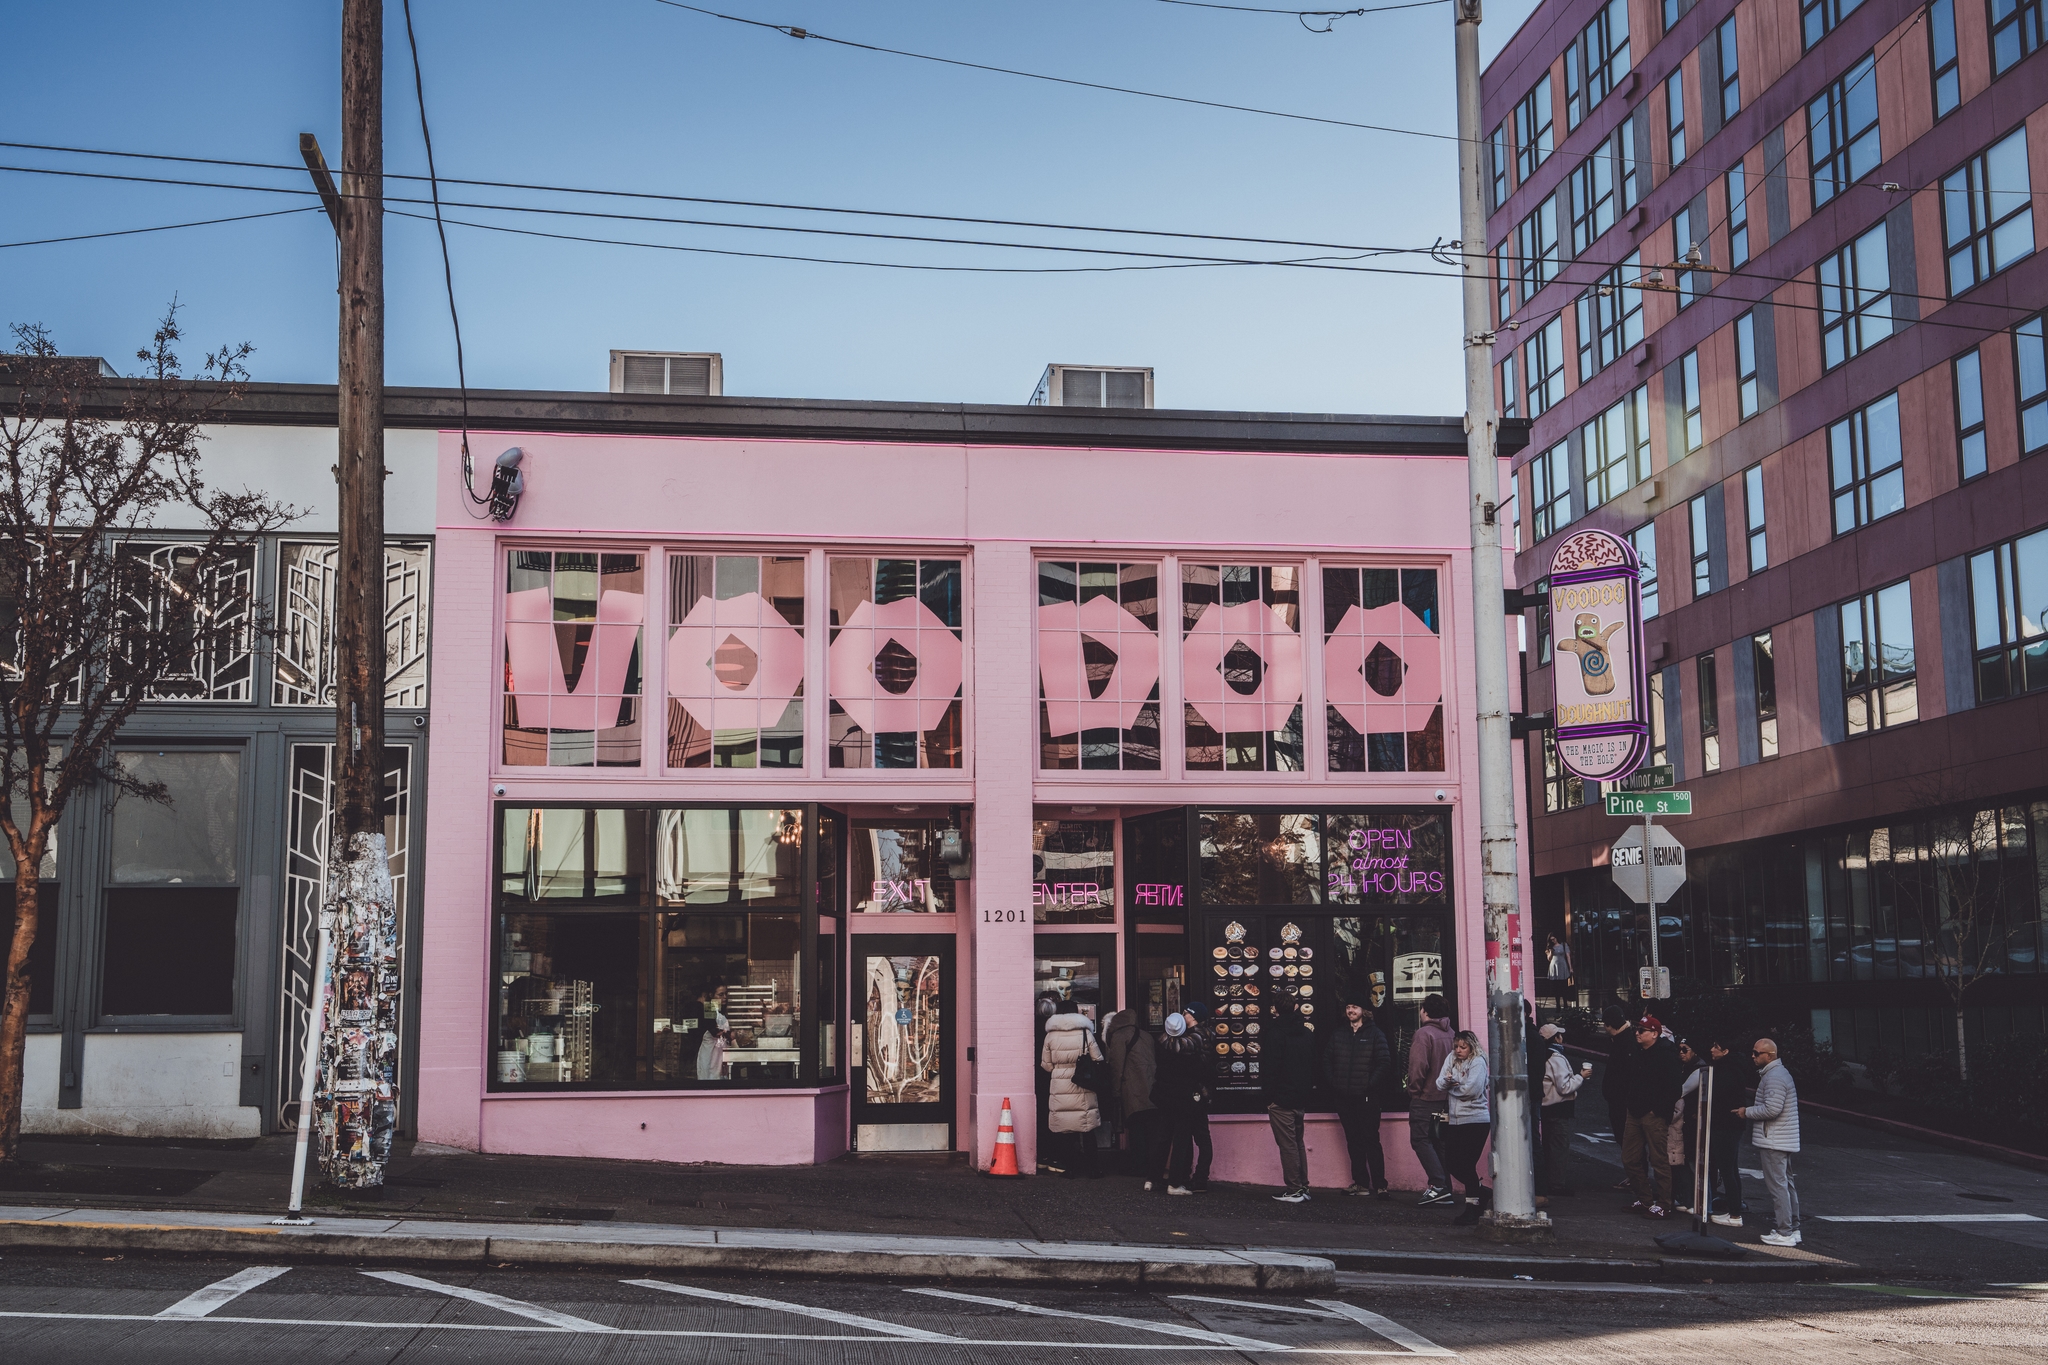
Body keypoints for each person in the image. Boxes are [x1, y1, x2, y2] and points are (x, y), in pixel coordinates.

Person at [1737, 1036, 1803, 1247]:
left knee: (1778, 1187)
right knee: (1786, 1184)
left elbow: (1772, 1109)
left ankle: (1784, 1232)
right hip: (1783, 1139)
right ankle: (1793, 1229)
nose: (1753, 1056)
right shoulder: (1778, 1074)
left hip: (1774, 1139)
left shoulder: (1774, 1077)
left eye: (1757, 1053)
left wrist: (1745, 1111)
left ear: (1770, 1055)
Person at [1325, 999, 1393, 1198]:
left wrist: (1368, 1084)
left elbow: (1384, 1062)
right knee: (1353, 1141)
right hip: (1344, 1097)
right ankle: (1361, 1183)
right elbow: (1327, 1060)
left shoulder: (1375, 1034)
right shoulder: (1339, 1034)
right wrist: (1334, 1082)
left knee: (1371, 1140)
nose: (1350, 1010)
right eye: (1347, 1007)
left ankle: (1380, 1185)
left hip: (1367, 1098)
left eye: (1354, 1007)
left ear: (1364, 1010)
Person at [1621, 1013, 1683, 1217]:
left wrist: (1657, 1110)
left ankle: (1664, 1204)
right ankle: (1646, 1199)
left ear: (1654, 1034)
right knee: (1630, 1158)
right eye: (1637, 1029)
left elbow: (1674, 1088)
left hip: (1653, 1115)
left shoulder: (1666, 1055)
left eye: (1641, 1030)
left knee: (1659, 1159)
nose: (1637, 1034)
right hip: (1636, 1111)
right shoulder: (1639, 1052)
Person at [1262, 996, 1319, 1203]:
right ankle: (1303, 1186)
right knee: (1297, 1143)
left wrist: (1268, 1097)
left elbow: (1270, 1067)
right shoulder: (1306, 1032)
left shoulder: (1274, 1032)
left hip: (1281, 1098)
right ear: (1295, 1007)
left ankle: (1294, 1189)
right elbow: (1313, 1064)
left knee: (1287, 1145)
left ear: (1276, 1009)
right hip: (1300, 1096)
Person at [1039, 1000, 1104, 1179]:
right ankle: (1093, 1169)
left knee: (1066, 1131)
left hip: (1060, 1084)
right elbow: (1097, 1057)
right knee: (1087, 1128)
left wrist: (1060, 1070)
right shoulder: (1085, 1032)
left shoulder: (1050, 1035)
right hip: (1083, 1082)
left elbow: (1046, 1064)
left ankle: (1070, 1169)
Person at [1435, 1029, 1491, 1226]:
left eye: (1463, 1047)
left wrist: (1452, 1086)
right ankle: (1481, 1192)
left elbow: (1471, 1090)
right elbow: (1439, 1082)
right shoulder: (1451, 1058)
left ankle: (1472, 1207)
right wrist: (1449, 1083)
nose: (1458, 1050)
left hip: (1476, 1120)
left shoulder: (1478, 1062)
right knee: (1451, 1163)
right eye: (1456, 1046)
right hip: (1455, 1120)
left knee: (1466, 1164)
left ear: (1472, 1047)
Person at [1156, 1006, 1213, 1194]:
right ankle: (1186, 1176)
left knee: (1199, 1136)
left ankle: (1198, 1178)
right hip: (1194, 1092)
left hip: (1196, 1093)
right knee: (1190, 1135)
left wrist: (1166, 1032)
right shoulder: (1195, 1034)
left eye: (1187, 1013)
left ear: (1194, 1017)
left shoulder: (1197, 1037)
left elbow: (1175, 1046)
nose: (1183, 1015)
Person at [1101, 1009, 1161, 1186]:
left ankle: (1138, 1166)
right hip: (1152, 1089)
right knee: (1152, 1130)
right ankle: (1153, 1165)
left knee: (1136, 1130)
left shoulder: (1120, 1036)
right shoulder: (1147, 1036)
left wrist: (1115, 1090)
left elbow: (1116, 1066)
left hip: (1133, 1088)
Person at [1406, 994, 1456, 1205]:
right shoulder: (1452, 1033)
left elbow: (1418, 1067)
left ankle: (1438, 1185)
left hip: (1426, 1098)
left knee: (1420, 1140)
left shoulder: (1423, 1034)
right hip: (1446, 1098)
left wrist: (1414, 1090)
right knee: (1439, 1142)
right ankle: (1445, 1188)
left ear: (1425, 1011)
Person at [1703, 1037, 1752, 1227]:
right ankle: (1735, 1209)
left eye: (1716, 1046)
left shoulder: (1726, 1070)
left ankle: (1734, 1214)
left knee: (1726, 1168)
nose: (1712, 1049)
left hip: (1725, 1125)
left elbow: (1718, 1096)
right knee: (1731, 1168)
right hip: (1732, 1125)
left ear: (1726, 1051)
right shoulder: (1735, 1068)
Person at [1538, 1022, 1589, 1195]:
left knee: (1548, 1147)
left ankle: (1549, 1182)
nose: (1562, 1038)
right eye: (1559, 1035)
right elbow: (1565, 1087)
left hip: (1545, 1109)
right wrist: (1580, 1076)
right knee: (1559, 1148)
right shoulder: (1556, 1057)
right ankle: (1557, 1185)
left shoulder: (1543, 1055)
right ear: (1556, 1038)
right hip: (1558, 1109)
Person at [1598, 1004, 1635, 1191]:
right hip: (1621, 1100)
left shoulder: (1623, 1042)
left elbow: (1624, 1075)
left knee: (1628, 1141)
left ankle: (1636, 1178)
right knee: (1628, 1141)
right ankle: (1635, 1177)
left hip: (1622, 1102)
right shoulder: (1625, 1039)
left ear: (1608, 1025)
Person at [1671, 1038, 1706, 1214]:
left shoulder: (1699, 1069)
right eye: (1679, 1049)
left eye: (1685, 1049)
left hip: (1692, 1120)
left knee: (1691, 1159)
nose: (1681, 1053)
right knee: (1684, 1159)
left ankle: (1694, 1201)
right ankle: (1687, 1198)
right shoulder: (1685, 1067)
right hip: (1686, 1119)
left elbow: (1683, 1090)